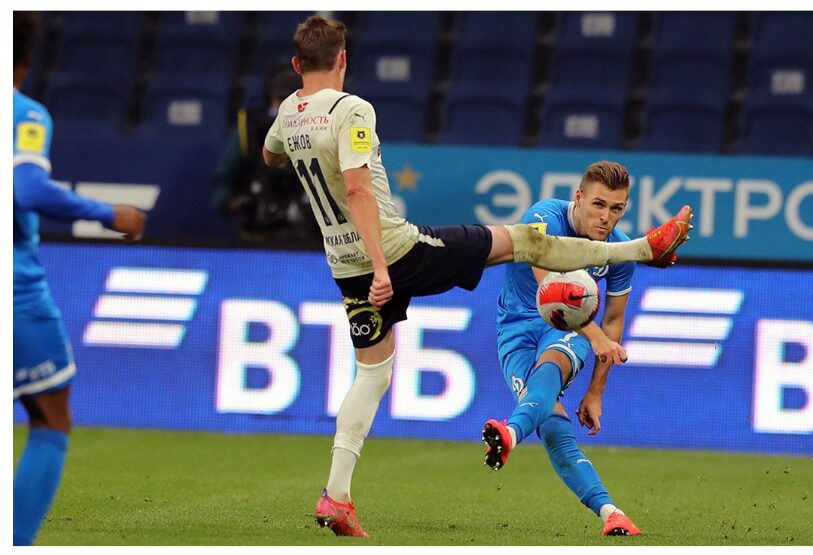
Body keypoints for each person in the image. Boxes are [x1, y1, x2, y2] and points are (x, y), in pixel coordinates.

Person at [262, 15, 693, 538]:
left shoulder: (288, 113)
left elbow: (270, 153)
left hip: (343, 265)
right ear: (344, 60)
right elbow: (356, 190)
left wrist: (303, 148)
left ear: (296, 64)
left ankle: (336, 496)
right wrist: (382, 265)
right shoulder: (353, 108)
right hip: (394, 252)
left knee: (373, 374)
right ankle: (643, 248)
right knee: (525, 240)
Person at [12, 12, 147, 546]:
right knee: (51, 415)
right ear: (27, 57)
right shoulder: (23, 112)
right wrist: (107, 213)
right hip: (13, 289)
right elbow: (27, 190)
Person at [487, 161, 643, 538]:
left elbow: (613, 322)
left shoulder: (620, 250)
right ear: (579, 198)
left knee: (551, 369)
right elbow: (551, 290)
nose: (606, 217)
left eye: (617, 208)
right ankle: (612, 512)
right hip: (516, 328)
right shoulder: (542, 217)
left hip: (566, 328)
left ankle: (510, 434)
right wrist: (597, 336)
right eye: (599, 204)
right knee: (552, 423)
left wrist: (596, 390)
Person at [213, 62, 322, 244]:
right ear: (270, 98)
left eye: (292, 99)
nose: (285, 106)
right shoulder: (247, 128)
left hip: (308, 239)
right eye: (280, 99)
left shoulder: (322, 127)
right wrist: (232, 203)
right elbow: (222, 182)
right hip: (257, 237)